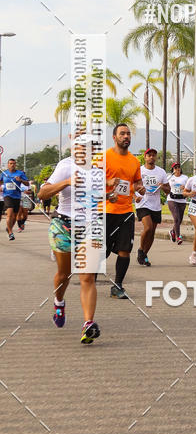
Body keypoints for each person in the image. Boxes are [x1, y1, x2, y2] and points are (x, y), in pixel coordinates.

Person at [38, 137, 102, 343]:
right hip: (63, 226)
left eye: (91, 146)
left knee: (87, 277)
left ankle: (88, 324)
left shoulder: (99, 170)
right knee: (64, 274)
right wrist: (66, 182)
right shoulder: (66, 166)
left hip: (90, 227)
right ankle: (59, 302)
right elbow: (42, 193)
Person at [104, 124, 144, 298]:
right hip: (105, 211)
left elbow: (136, 182)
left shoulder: (135, 161)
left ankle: (118, 285)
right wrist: (108, 185)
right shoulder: (103, 157)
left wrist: (139, 188)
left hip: (126, 211)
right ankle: (89, 279)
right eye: (122, 134)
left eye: (128, 134)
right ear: (114, 137)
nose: (126, 136)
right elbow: (91, 183)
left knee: (125, 250)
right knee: (101, 251)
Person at [135, 148, 170, 266]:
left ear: (156, 158)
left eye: (154, 155)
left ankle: (144, 254)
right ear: (145, 157)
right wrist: (136, 196)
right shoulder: (139, 171)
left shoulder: (161, 172)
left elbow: (168, 190)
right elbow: (132, 185)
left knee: (152, 232)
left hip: (155, 205)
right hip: (143, 202)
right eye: (149, 155)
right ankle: (140, 249)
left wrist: (162, 187)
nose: (151, 157)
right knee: (148, 227)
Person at [1, 158, 29, 240]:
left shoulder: (20, 173)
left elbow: (27, 183)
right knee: (9, 213)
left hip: (17, 196)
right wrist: (1, 188)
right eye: (10, 163)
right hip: (7, 196)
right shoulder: (4, 173)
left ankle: (9, 228)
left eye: (14, 163)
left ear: (15, 164)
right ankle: (10, 233)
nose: (12, 165)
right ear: (8, 164)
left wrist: (20, 180)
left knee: (14, 216)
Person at [166, 163, 188, 244]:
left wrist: (185, 188)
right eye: (175, 167)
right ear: (172, 169)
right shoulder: (169, 177)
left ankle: (173, 231)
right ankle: (179, 237)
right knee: (176, 218)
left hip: (182, 200)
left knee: (180, 219)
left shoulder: (185, 177)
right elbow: (166, 187)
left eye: (179, 167)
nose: (177, 169)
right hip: (172, 199)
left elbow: (189, 188)